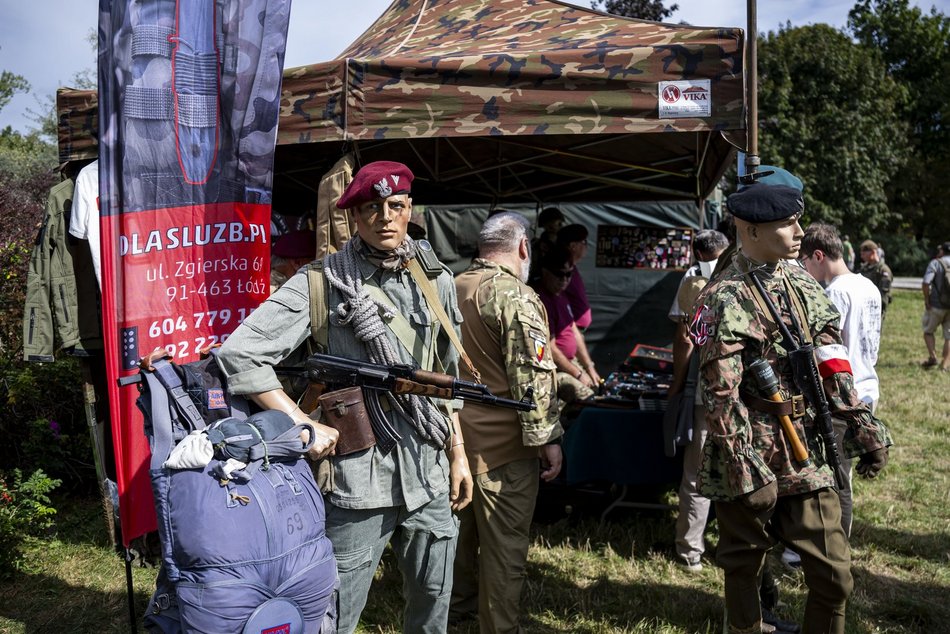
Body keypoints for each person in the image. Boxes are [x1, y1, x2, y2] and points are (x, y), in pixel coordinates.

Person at [217, 160, 473, 634]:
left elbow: (445, 379)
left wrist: (458, 452)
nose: (385, 216)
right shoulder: (322, 282)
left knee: (434, 605)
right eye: (372, 208)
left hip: (428, 470)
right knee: (335, 615)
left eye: (395, 205)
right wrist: (301, 420)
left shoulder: (435, 282)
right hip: (359, 480)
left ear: (409, 209)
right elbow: (240, 354)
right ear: (355, 218)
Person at [695, 169, 892, 634]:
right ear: (752, 230)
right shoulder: (723, 296)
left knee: (834, 575)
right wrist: (744, 467)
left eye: (799, 221)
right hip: (750, 450)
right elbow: (720, 396)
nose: (800, 232)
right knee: (742, 564)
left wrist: (862, 426)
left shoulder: (802, 284)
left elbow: (831, 361)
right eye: (788, 223)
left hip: (803, 450)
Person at [451, 212, 562, 633]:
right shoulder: (514, 295)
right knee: (503, 552)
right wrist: (548, 438)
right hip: (506, 450)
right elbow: (531, 376)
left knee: (457, 549)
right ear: (523, 248)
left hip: (454, 443)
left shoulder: (450, 286)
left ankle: (455, 620)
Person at [799, 222, 883, 537]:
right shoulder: (868, 286)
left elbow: (829, 353)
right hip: (867, 387)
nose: (805, 270)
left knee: (835, 477)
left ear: (818, 255)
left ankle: (834, 546)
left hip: (842, 395)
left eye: (805, 262)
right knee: (840, 473)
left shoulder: (834, 292)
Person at [667, 229, 729, 572]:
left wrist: (676, 386)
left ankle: (691, 549)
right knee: (737, 472)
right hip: (737, 395)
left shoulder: (695, 285)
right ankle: (731, 546)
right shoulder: (749, 278)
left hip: (708, 393)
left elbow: (685, 340)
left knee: (697, 474)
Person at [532, 246, 598, 403]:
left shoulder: (560, 295)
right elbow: (549, 347)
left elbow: (574, 330)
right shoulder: (540, 300)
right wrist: (578, 374)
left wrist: (589, 367)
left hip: (570, 363)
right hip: (553, 370)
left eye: (569, 274)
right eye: (559, 274)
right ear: (545, 272)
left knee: (598, 391)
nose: (565, 279)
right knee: (588, 398)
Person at [557, 223, 593, 331]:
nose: (586, 246)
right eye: (584, 242)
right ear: (573, 246)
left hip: (575, 329)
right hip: (569, 329)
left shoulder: (572, 267)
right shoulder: (562, 270)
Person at [920, 241, 950, 370]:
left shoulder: (936, 263)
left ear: (942, 251)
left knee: (928, 331)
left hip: (936, 306)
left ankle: (933, 358)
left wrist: (927, 299)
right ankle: (945, 364)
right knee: (949, 336)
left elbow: (926, 282)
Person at [857, 239, 893, 321]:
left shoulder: (883, 270)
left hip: (875, 310)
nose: (862, 256)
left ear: (873, 252)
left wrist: (879, 310)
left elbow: (883, 295)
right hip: (861, 309)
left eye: (864, 253)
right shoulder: (863, 269)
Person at [529, 207, 565, 281]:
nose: (561, 226)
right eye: (558, 223)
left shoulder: (563, 243)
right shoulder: (538, 245)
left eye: (560, 223)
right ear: (548, 226)